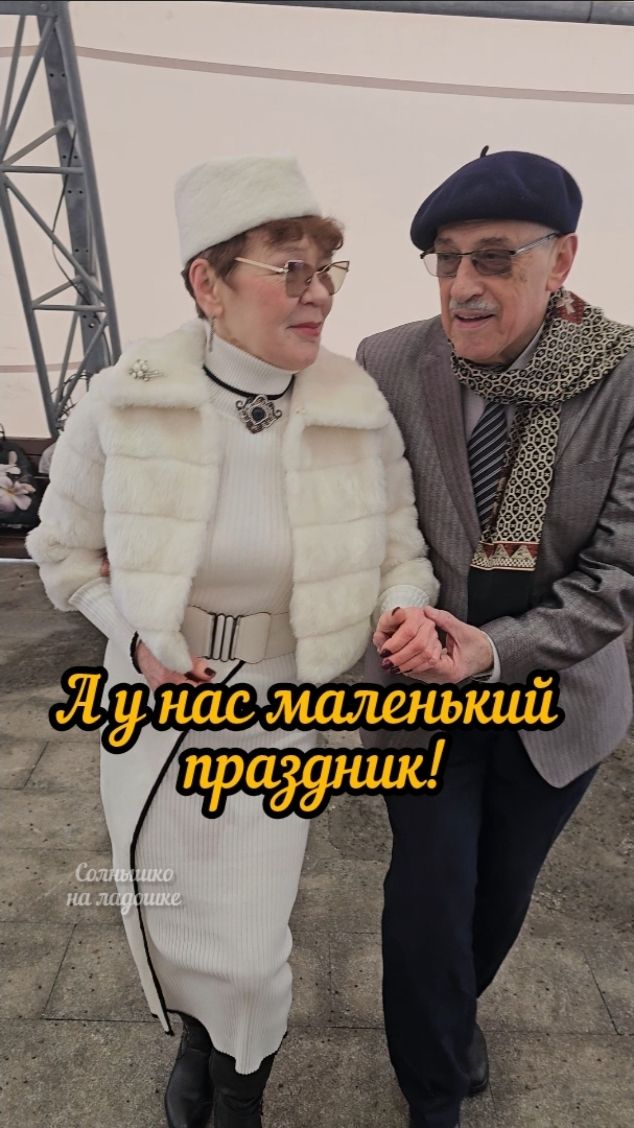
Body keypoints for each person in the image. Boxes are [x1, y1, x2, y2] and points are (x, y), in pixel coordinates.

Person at [27, 154, 439, 1128]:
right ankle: (198, 1043)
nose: (318, 294)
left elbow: (403, 555)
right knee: (168, 909)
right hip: (154, 706)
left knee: (252, 945)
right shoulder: (124, 397)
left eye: (325, 271)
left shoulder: (354, 404)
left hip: (280, 705)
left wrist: (403, 608)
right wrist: (133, 633)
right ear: (206, 283)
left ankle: (241, 1085)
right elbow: (62, 553)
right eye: (288, 269)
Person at [357, 148, 634, 1128]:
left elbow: (620, 575)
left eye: (493, 258)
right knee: (428, 895)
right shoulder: (387, 363)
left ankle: (450, 1017)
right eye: (445, 260)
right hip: (419, 692)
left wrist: (490, 651)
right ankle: (432, 1092)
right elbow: (361, 518)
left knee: (496, 898)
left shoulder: (624, 379)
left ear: (562, 260)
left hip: (555, 699)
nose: (463, 286)